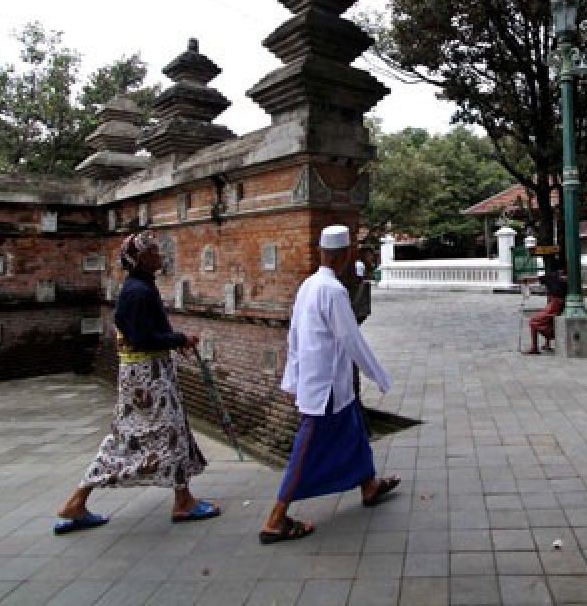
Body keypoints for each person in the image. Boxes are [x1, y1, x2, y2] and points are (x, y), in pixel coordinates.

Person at [53, 231, 220, 535]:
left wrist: (173, 341)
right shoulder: (137, 292)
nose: (160, 255)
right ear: (141, 258)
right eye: (154, 251)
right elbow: (140, 337)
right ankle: (180, 502)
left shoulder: (141, 287)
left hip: (146, 375)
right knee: (157, 433)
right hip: (147, 380)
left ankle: (181, 498)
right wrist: (179, 338)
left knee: (164, 432)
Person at [259, 225, 400, 544]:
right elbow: (351, 338)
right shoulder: (334, 291)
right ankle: (276, 518)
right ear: (346, 255)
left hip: (324, 382)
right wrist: (379, 376)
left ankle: (369, 484)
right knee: (306, 448)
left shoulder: (309, 285)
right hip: (326, 388)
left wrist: (292, 377)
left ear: (323, 253)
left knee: (354, 431)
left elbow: (293, 334)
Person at [527, 263, 567, 354]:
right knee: (546, 322)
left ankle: (536, 347)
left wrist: (525, 280)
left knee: (533, 322)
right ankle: (547, 343)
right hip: (557, 304)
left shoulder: (552, 276)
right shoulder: (560, 278)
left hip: (555, 304)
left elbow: (535, 279)